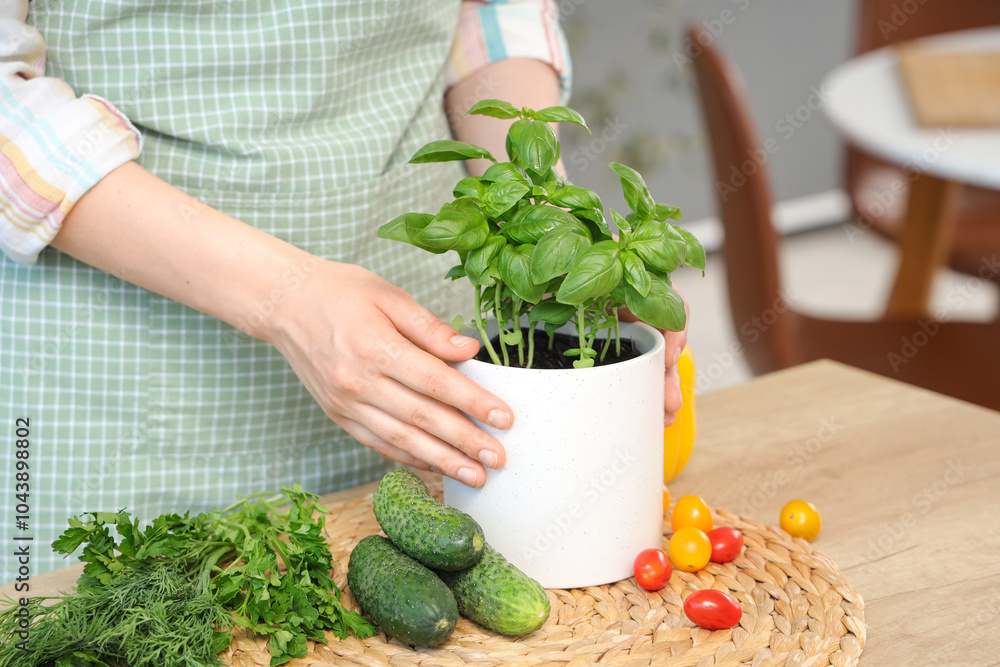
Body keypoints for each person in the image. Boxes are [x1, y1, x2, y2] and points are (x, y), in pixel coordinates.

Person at [0, 0, 687, 579]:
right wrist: (285, 295)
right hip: (131, 385)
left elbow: (488, 14)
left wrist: (546, 229)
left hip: (411, 373)